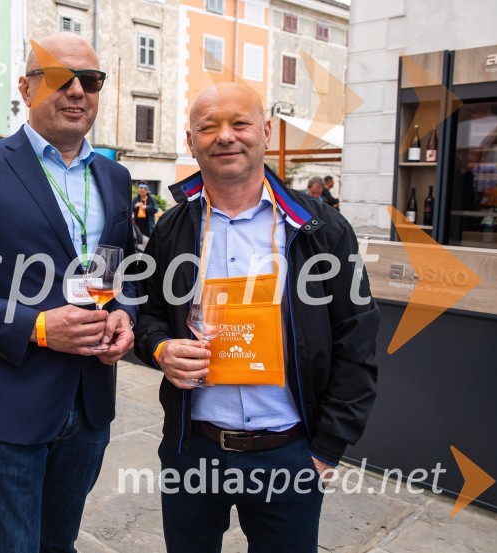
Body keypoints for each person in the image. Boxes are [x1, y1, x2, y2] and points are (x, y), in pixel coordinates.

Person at [134, 83, 379, 552]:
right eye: (209, 127)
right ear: (191, 142)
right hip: (193, 450)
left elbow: (357, 338)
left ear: (264, 132)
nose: (225, 136)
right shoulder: (172, 228)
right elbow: (147, 314)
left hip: (289, 454)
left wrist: (326, 450)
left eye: (240, 123)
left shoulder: (321, 229)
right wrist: (161, 348)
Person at [0, 32, 136, 552]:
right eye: (61, 78)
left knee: (59, 544)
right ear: (26, 88)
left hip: (89, 403)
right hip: (8, 405)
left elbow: (115, 269)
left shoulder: (115, 175)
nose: (77, 91)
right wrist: (36, 327)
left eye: (91, 80)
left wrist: (122, 313)